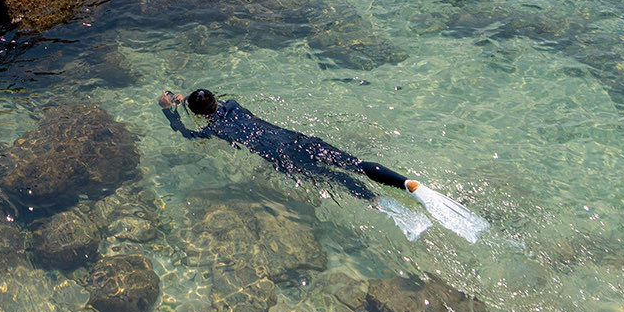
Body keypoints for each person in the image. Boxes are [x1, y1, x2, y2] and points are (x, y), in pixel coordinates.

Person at [159, 88, 488, 242]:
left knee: (340, 182)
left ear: (199, 113)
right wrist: (186, 99)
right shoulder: (233, 105)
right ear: (217, 99)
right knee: (354, 164)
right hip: (300, 141)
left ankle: (385, 205)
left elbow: (190, 135)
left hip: (285, 159)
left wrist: (169, 111)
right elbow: (207, 103)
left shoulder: (214, 129)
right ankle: (408, 185)